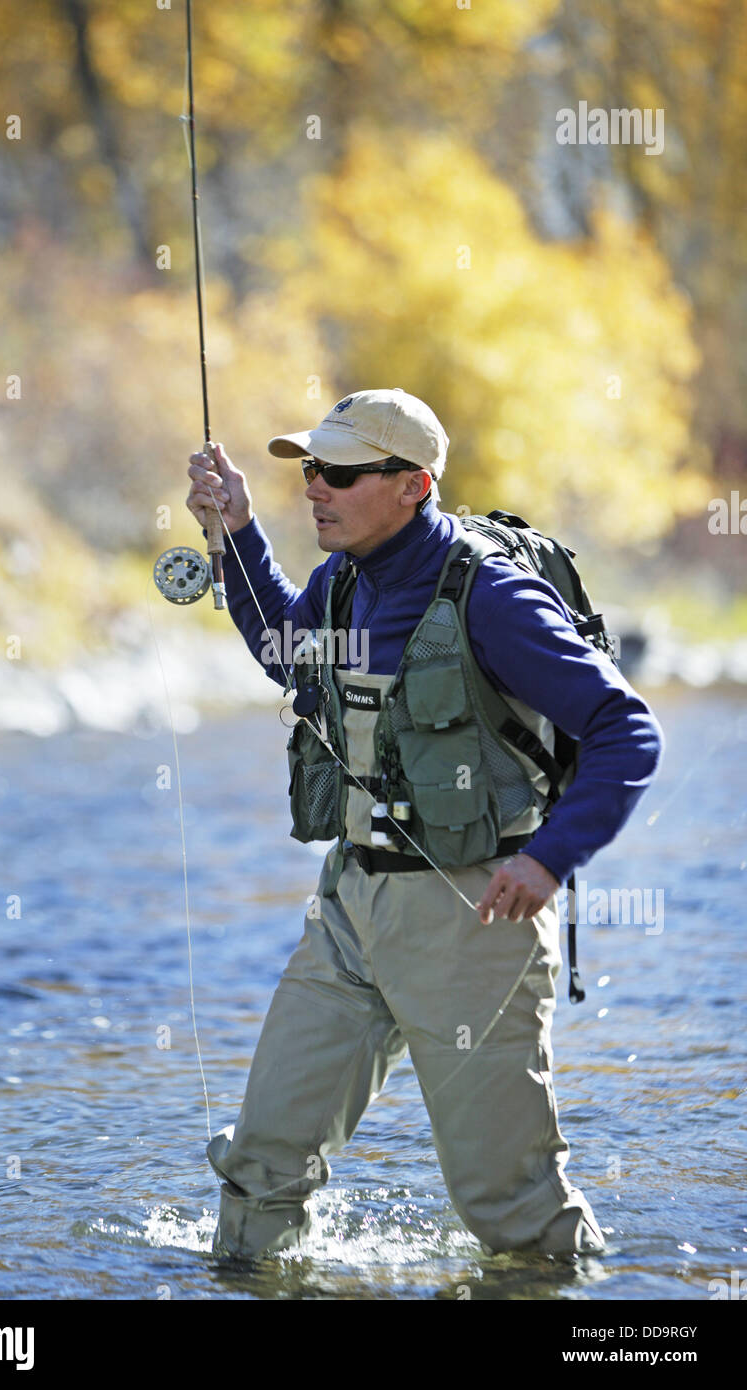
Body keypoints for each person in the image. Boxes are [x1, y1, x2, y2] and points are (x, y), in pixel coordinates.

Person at [185, 387, 664, 1260]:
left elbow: (626, 731)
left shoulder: (496, 601)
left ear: (414, 483)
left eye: (337, 472)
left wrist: (551, 861)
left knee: (511, 1209)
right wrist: (236, 534)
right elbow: (291, 654)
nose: (314, 487)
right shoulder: (344, 582)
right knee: (259, 1167)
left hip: (477, 916)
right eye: (309, 470)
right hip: (351, 907)